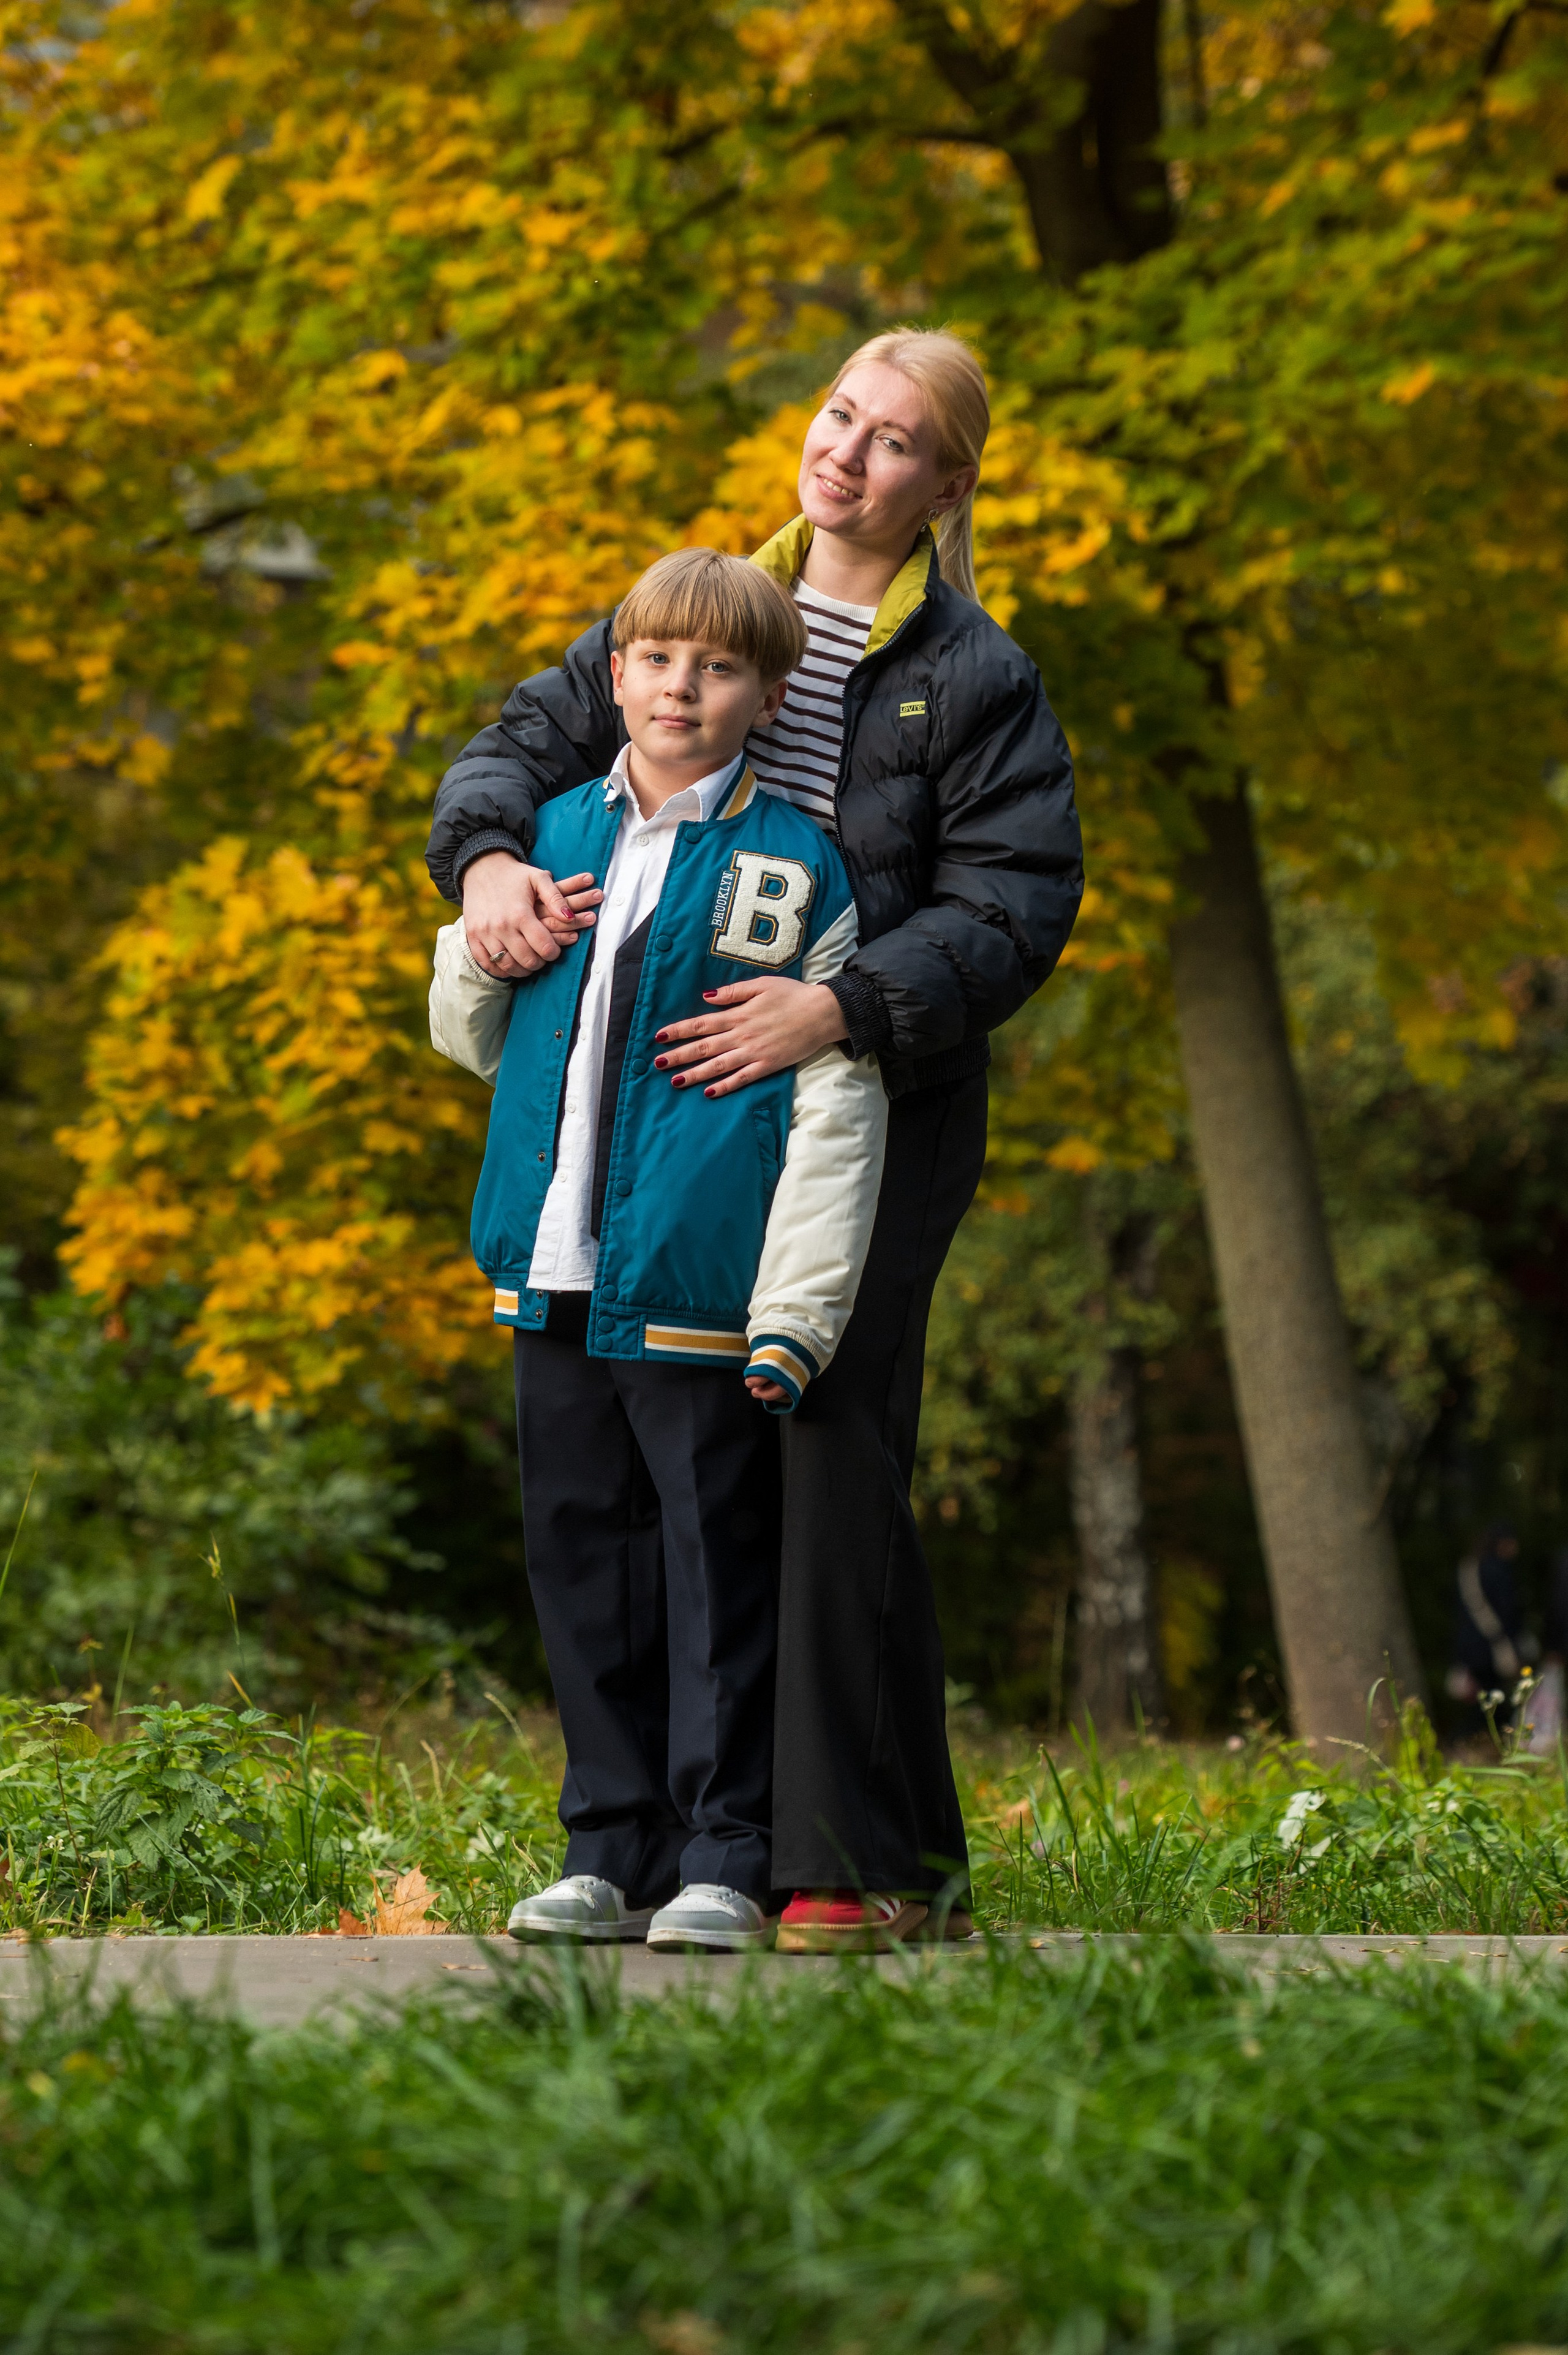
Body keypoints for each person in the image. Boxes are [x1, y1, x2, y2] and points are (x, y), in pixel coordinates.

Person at [426, 330, 1084, 1952]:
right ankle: (736, 1844)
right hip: (661, 1125)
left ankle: (833, 1856)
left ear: (948, 483)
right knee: (666, 1476)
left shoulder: (970, 673)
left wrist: (842, 1005)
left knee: (826, 1452)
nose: (850, 455)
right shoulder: (707, 607)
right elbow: (519, 752)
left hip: (867, 1103)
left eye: (897, 440)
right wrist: (488, 865)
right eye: (841, 417)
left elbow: (1014, 903)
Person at [429, 549, 887, 1952]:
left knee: (713, 1565)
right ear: (612, 671)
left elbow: (836, 1104)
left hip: (698, 1288)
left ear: (765, 692)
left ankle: (722, 1852)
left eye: (719, 665)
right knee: (579, 1556)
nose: (680, 685)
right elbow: (468, 1041)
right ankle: (605, 1846)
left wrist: (794, 1310)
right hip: (551, 1266)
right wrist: (478, 939)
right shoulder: (551, 832)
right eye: (654, 657)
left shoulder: (794, 867)